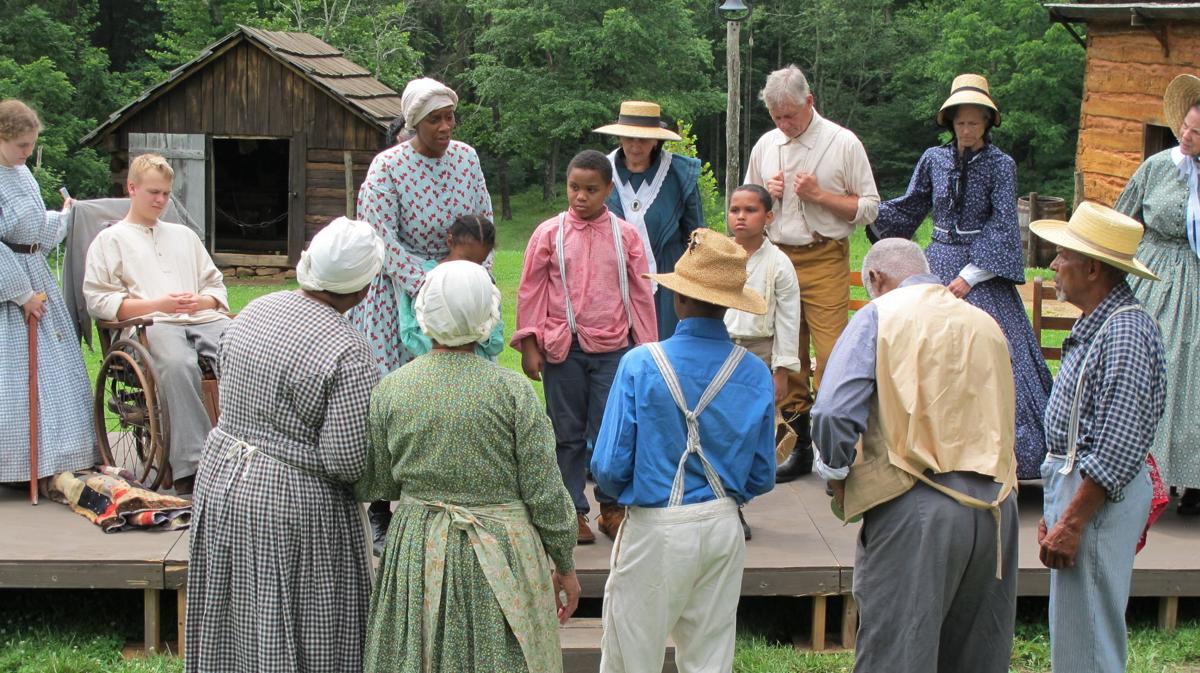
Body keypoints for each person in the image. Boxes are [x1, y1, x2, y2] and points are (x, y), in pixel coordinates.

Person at [357, 260, 579, 673]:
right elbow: (545, 491)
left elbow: (379, 480)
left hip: (420, 549)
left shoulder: (392, 388)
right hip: (503, 553)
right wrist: (564, 562)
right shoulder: (512, 391)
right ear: (487, 319)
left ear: (424, 315)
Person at [185, 217, 384, 673]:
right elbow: (346, 460)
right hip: (291, 506)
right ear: (364, 289)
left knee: (236, 616)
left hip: (221, 480)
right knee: (297, 621)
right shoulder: (349, 351)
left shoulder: (257, 309)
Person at [812, 238, 1019, 673]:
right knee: (977, 655)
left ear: (875, 278)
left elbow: (833, 410)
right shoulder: (984, 322)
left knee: (899, 654)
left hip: (917, 501)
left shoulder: (880, 314)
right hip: (998, 509)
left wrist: (834, 472)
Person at [591, 228, 776, 673]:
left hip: (656, 525)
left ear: (679, 299)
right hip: (722, 525)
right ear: (730, 304)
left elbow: (609, 467)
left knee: (631, 656)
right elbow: (762, 475)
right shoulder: (754, 373)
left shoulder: (640, 363)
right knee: (710, 656)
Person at [870, 74, 1053, 479]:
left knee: (998, 350)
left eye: (974, 122)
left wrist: (970, 276)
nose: (966, 130)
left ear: (988, 123)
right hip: (935, 263)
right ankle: (926, 447)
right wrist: (864, 209)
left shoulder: (1001, 166)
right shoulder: (933, 159)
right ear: (949, 122)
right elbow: (911, 205)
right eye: (960, 122)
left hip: (982, 272)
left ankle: (1001, 454)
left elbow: (1004, 222)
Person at [351, 76, 492, 548]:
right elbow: (380, 238)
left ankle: (456, 489)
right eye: (436, 119)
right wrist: (428, 282)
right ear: (414, 122)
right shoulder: (387, 166)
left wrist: (472, 276)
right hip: (400, 291)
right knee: (395, 393)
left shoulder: (467, 158)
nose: (446, 126)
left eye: (451, 116)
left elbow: (483, 220)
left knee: (462, 384)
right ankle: (381, 508)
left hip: (459, 278)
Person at [1030, 202, 1166, 673]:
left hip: (1095, 501)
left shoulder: (1125, 330)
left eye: (1063, 255)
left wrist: (1072, 519)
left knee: (1088, 638)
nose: (1053, 264)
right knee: (1077, 633)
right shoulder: (1104, 324)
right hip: (1080, 494)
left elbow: (1119, 443)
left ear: (1091, 268)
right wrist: (1058, 506)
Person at [513, 149, 658, 543]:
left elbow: (641, 292)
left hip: (615, 350)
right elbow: (531, 289)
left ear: (609, 190)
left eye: (591, 189)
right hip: (564, 350)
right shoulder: (549, 233)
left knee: (612, 431)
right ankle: (571, 510)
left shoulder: (625, 235)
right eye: (574, 187)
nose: (580, 196)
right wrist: (530, 343)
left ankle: (611, 507)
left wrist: (647, 348)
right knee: (566, 434)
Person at [744, 64, 880, 481]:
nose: (784, 124)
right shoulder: (766, 145)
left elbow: (871, 208)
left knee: (835, 348)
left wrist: (820, 196)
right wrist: (768, 200)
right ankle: (797, 446)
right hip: (777, 256)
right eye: (776, 116)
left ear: (810, 101)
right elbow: (747, 203)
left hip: (824, 255)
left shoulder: (843, 143)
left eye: (791, 115)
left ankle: (839, 443)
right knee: (787, 350)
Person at [83, 153, 229, 495]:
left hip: (201, 317)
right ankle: (193, 466)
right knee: (177, 364)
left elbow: (215, 285)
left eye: (165, 193)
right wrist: (158, 304)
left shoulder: (184, 237)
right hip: (148, 324)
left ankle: (245, 455)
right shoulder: (110, 240)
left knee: (246, 351)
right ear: (131, 188)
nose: (160, 200)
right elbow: (100, 300)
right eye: (152, 192)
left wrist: (202, 301)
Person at [1115, 73, 1200, 514]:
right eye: (1185, 126)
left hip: (1197, 281)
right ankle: (1142, 474)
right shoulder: (1156, 167)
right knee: (1153, 363)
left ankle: (1192, 481)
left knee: (1194, 374)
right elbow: (1121, 220)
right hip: (1154, 279)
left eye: (1197, 132)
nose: (1186, 136)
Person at [0, 98, 94, 486]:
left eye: (30, 145)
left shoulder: (22, 173)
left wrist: (66, 216)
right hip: (11, 287)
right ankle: (16, 466)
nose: (26, 152)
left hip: (35, 272)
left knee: (56, 373)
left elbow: (33, 230)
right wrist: (21, 294)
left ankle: (55, 458)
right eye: (21, 145)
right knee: (13, 378)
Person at [723, 184, 801, 539]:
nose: (740, 216)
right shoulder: (717, 254)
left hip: (758, 353)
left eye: (750, 210)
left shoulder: (779, 264)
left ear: (768, 217)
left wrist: (780, 369)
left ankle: (735, 503)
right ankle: (708, 504)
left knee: (745, 433)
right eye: (735, 209)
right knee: (712, 429)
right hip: (717, 349)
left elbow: (787, 319)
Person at [595, 100, 705, 338]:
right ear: (619, 137)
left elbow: (697, 236)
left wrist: (694, 289)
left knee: (665, 349)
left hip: (668, 282)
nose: (635, 146)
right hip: (612, 279)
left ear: (656, 139)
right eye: (629, 138)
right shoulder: (600, 170)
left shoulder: (679, 173)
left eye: (643, 138)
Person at [397, 214, 504, 361]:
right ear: (450, 242)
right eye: (466, 259)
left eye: (478, 263)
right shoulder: (425, 278)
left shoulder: (484, 282)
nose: (470, 269)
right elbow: (409, 332)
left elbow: (496, 341)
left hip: (477, 366)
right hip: (434, 368)